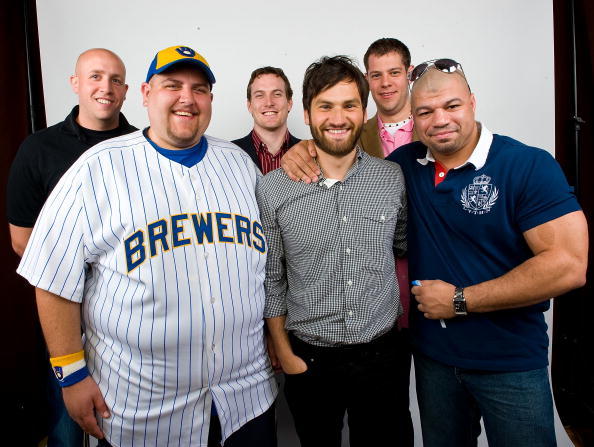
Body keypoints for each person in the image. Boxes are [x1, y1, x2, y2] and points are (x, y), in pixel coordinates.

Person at [17, 45, 277, 447]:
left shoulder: (240, 165)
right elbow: (52, 278)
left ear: (210, 98)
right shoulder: (96, 168)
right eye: (172, 85)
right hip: (142, 408)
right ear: (144, 94)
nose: (187, 98)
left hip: (245, 398)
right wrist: (70, 374)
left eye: (199, 88)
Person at [385, 59, 588, 446]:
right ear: (412, 118)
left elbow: (568, 266)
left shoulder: (526, 165)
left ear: (473, 103)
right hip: (435, 364)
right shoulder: (404, 166)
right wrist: (304, 151)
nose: (440, 119)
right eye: (425, 112)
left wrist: (461, 301)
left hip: (510, 364)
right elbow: (346, 170)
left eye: (452, 106)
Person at [257, 55, 412, 447]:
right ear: (307, 114)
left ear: (364, 112)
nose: (337, 118)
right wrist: (285, 355)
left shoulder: (392, 178)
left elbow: (404, 247)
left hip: (382, 356)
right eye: (325, 106)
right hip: (310, 359)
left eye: (349, 105)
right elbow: (271, 279)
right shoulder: (273, 188)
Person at [6, 48, 135, 447]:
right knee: (68, 423)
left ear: (127, 91)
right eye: (95, 76)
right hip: (68, 311)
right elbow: (21, 239)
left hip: (130, 311)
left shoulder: (143, 147)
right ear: (75, 84)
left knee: (125, 418)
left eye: (115, 79)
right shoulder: (38, 149)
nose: (105, 87)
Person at [232, 66, 300, 174]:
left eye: (277, 94)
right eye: (259, 95)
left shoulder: (310, 153)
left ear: (289, 103)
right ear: (249, 105)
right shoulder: (230, 153)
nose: (269, 102)